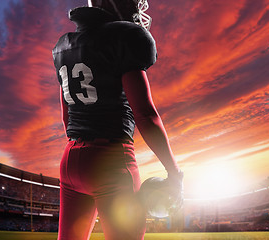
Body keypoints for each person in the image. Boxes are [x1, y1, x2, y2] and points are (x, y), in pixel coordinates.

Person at [52, 0, 183, 239]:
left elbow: (66, 116)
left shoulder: (63, 46)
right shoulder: (123, 37)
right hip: (112, 161)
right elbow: (145, 115)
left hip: (70, 159)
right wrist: (174, 171)